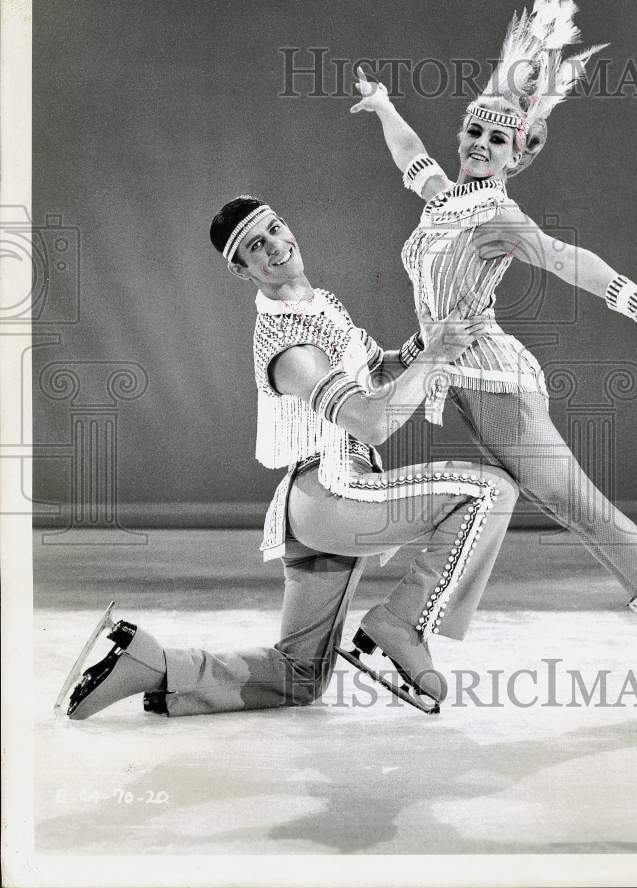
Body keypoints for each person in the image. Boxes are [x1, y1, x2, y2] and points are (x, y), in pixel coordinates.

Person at [350, 0, 637, 707]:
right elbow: (412, 157)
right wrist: (382, 107)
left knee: (576, 504)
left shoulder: (499, 213)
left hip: (494, 382)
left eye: (496, 141)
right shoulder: (442, 201)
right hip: (458, 377)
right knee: (559, 504)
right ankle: (406, 624)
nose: (477, 143)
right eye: (472, 130)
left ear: (519, 156)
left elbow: (567, 260)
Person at [56, 196, 519, 720]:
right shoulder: (286, 342)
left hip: (319, 508)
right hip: (334, 494)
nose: (276, 245)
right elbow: (370, 420)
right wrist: (436, 357)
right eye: (258, 245)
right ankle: (402, 623)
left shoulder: (320, 306)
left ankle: (149, 664)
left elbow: (378, 374)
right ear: (241, 269)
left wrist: (427, 344)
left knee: (302, 676)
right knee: (492, 489)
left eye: (276, 229)